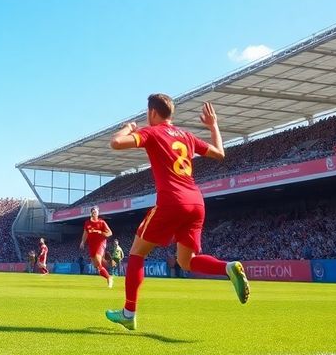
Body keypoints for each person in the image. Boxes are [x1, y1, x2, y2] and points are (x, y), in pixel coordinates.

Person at [105, 95, 249, 330]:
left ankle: (128, 312)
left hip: (172, 201)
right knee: (186, 261)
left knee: (137, 253)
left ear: (152, 113)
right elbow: (220, 154)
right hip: (196, 202)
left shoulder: (152, 132)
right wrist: (213, 125)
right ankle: (227, 267)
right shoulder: (187, 136)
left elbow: (115, 143)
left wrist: (127, 128)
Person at [78, 206, 114, 288]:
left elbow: (110, 233)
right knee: (97, 266)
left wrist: (100, 232)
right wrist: (82, 242)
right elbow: (85, 233)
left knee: (98, 260)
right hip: (92, 244)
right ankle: (107, 273)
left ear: (98, 213)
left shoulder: (102, 222)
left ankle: (109, 278)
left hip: (100, 243)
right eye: (93, 211)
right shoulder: (87, 223)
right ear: (91, 213)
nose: (94, 213)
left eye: (96, 211)